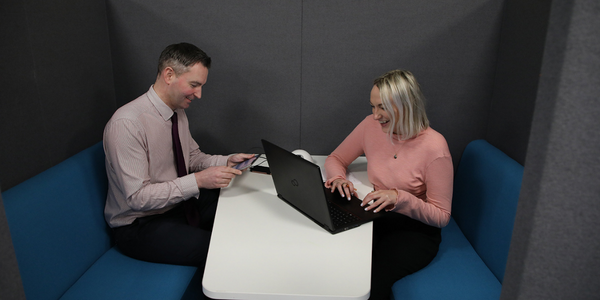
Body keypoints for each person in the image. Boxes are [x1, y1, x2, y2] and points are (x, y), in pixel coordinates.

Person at [103, 42, 255, 268]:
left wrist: (226, 161)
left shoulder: (177, 111)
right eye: (194, 85)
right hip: (140, 223)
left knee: (242, 209)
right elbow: (137, 198)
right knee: (222, 251)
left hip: (178, 205)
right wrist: (199, 181)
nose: (199, 94)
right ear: (169, 74)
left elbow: (191, 158)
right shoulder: (127, 124)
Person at [324, 70, 453, 300]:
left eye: (382, 107)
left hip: (414, 229)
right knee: (336, 259)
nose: (375, 116)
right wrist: (338, 179)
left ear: (406, 105)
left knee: (372, 280)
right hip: (377, 214)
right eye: (373, 107)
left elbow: (442, 216)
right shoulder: (369, 126)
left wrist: (399, 198)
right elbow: (336, 159)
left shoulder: (435, 148)